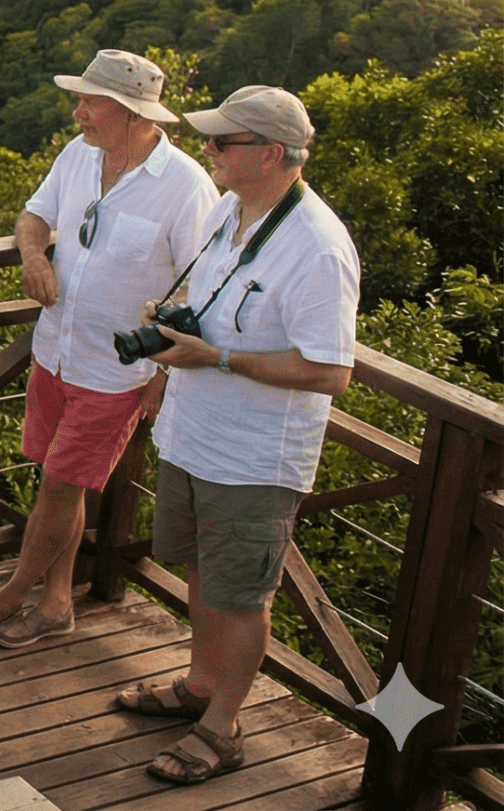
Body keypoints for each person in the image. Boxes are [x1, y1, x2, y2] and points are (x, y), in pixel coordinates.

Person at [115, 86, 357, 786]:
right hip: (194, 433)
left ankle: (222, 726)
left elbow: (330, 370)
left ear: (272, 153)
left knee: (243, 595)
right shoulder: (230, 209)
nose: (207, 150)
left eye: (223, 142)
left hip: (254, 457)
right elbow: (219, 303)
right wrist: (175, 326)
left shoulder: (316, 246)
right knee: (201, 572)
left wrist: (215, 356)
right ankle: (197, 683)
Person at [0, 51, 218, 649]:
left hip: (118, 371)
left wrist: (162, 377)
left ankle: (10, 595)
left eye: (90, 103)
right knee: (57, 481)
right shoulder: (79, 154)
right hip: (55, 350)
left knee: (61, 486)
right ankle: (56, 601)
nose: (78, 112)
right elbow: (33, 215)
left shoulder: (185, 187)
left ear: (131, 114)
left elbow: (200, 289)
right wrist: (35, 255)